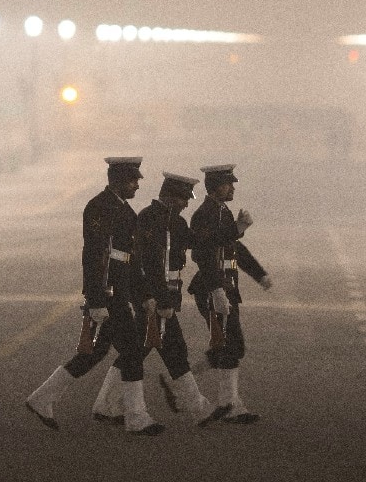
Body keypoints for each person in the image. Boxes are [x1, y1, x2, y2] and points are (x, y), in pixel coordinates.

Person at [25, 157, 165, 436]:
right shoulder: (99, 207)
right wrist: (97, 300)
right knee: (132, 351)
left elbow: (130, 260)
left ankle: (42, 398)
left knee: (95, 352)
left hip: (118, 291)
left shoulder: (124, 210)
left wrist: (144, 294)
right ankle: (136, 416)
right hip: (108, 293)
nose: (137, 185)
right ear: (117, 180)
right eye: (132, 180)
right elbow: (93, 255)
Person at [90, 172, 226, 428]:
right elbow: (148, 264)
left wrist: (233, 230)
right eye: (183, 199)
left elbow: (198, 242)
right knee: (171, 351)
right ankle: (197, 407)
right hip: (153, 299)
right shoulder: (148, 219)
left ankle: (105, 404)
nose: (186, 204)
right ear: (170, 197)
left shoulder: (176, 222)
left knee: (145, 351)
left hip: (164, 298)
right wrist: (158, 299)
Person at [188, 164, 272, 424]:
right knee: (231, 345)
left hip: (226, 287)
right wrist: (216, 291)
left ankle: (228, 403)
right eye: (228, 184)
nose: (233, 188)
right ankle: (191, 387)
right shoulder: (204, 215)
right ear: (215, 187)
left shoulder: (222, 212)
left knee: (229, 346)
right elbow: (202, 252)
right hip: (212, 287)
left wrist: (259, 274)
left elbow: (235, 249)